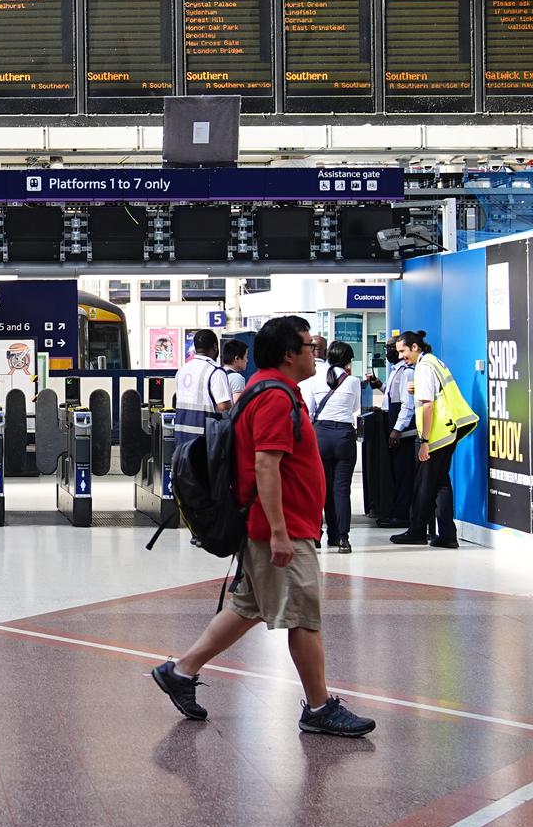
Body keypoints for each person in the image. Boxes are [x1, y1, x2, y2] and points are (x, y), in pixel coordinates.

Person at [151, 316, 376, 738]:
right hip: (283, 527)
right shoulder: (274, 397)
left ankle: (181, 672)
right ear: (290, 354)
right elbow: (265, 466)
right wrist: (278, 532)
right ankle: (319, 707)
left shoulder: (267, 388)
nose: (317, 352)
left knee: (246, 608)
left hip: (279, 525)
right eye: (310, 345)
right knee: (305, 619)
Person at [391, 330, 479, 549]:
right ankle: (447, 534)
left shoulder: (423, 367)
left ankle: (417, 531)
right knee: (440, 484)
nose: (401, 356)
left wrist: (425, 441)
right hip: (446, 433)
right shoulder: (433, 362)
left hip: (436, 435)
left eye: (403, 351)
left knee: (423, 485)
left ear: (414, 347)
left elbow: (428, 405)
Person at [314, 341, 362, 554]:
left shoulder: (315, 379)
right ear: (348, 361)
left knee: (320, 488)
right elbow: (355, 408)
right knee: (341, 489)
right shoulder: (353, 381)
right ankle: (342, 538)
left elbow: (309, 409)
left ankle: (317, 535)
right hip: (344, 435)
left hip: (321, 435)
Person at [374, 336, 417, 526]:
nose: (391, 352)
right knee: (396, 472)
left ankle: (401, 514)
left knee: (403, 473)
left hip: (403, 431)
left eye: (394, 349)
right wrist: (380, 386)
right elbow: (393, 397)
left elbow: (406, 405)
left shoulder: (407, 371)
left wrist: (397, 430)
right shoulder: (396, 370)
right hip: (394, 425)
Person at [172, 328, 231, 440]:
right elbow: (223, 406)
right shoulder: (215, 371)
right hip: (205, 438)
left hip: (181, 436)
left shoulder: (182, 370)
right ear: (215, 347)